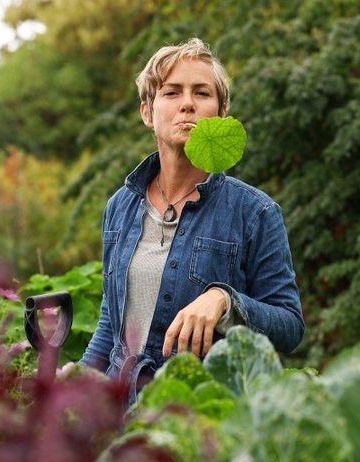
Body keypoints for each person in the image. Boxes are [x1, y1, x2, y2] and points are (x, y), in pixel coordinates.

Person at [80, 38, 304, 402]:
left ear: (221, 111)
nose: (187, 103)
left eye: (201, 93)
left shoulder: (256, 213)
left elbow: (290, 327)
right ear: (147, 112)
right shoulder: (120, 207)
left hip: (202, 412)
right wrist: (75, 394)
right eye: (171, 93)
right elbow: (112, 324)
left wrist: (225, 301)